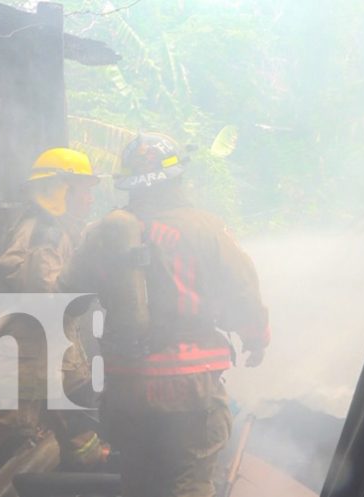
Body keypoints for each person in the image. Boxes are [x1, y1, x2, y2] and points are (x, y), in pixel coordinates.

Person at [59, 133, 271, 497]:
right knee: (190, 482)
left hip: (128, 385)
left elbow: (68, 295)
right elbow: (242, 292)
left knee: (139, 483)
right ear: (177, 179)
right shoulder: (206, 227)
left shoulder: (104, 232)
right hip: (193, 384)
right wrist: (256, 338)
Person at [0, 148, 107, 497]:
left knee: (72, 414)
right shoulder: (45, 234)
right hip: (28, 353)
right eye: (81, 188)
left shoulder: (49, 229)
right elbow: (49, 293)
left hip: (47, 351)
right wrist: (89, 284)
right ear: (60, 191)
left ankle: (91, 474)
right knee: (5, 424)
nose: (89, 197)